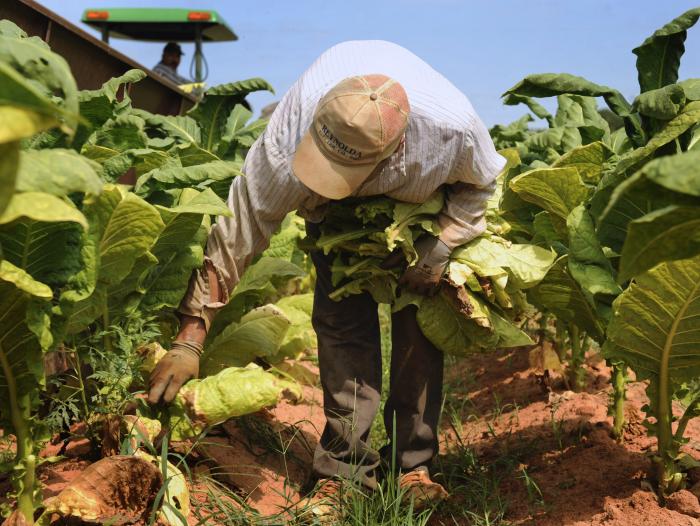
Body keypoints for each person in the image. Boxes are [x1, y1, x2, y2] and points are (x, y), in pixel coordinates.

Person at [147, 40, 505, 514]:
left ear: (393, 151)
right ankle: (344, 466)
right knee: (342, 326)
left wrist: (440, 247)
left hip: (421, 215)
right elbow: (243, 224)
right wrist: (191, 336)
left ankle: (413, 465)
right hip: (334, 222)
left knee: (420, 330)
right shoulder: (288, 136)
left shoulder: (451, 132)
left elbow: (483, 184)